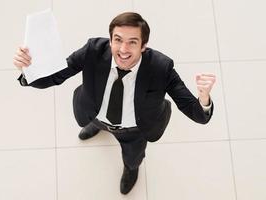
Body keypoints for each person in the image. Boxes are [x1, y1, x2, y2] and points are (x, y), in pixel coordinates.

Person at [13, 12, 215, 195]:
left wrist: (204, 97)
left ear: (144, 46)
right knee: (96, 120)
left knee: (133, 158)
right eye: (118, 40)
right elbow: (54, 77)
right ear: (110, 40)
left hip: (135, 129)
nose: (123, 49)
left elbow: (196, 113)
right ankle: (96, 126)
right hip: (96, 113)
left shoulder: (162, 67)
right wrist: (28, 70)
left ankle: (131, 170)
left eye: (133, 42)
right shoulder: (93, 50)